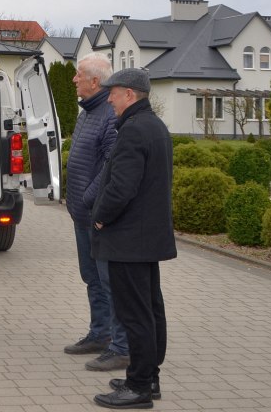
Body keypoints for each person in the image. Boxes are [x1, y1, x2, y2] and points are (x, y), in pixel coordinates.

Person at [90, 68, 176, 410]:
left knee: (135, 314)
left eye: (113, 93)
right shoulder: (154, 126)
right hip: (145, 238)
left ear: (129, 94)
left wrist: (100, 217)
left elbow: (121, 187)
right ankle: (148, 377)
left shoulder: (134, 130)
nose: (109, 99)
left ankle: (138, 387)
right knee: (150, 310)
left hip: (128, 239)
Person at [64, 52, 129, 372]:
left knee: (108, 281)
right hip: (82, 214)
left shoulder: (109, 115)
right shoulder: (87, 112)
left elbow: (109, 166)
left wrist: (89, 199)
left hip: (97, 214)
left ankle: (120, 346)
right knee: (91, 277)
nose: (73, 79)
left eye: (79, 74)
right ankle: (100, 334)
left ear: (94, 81)